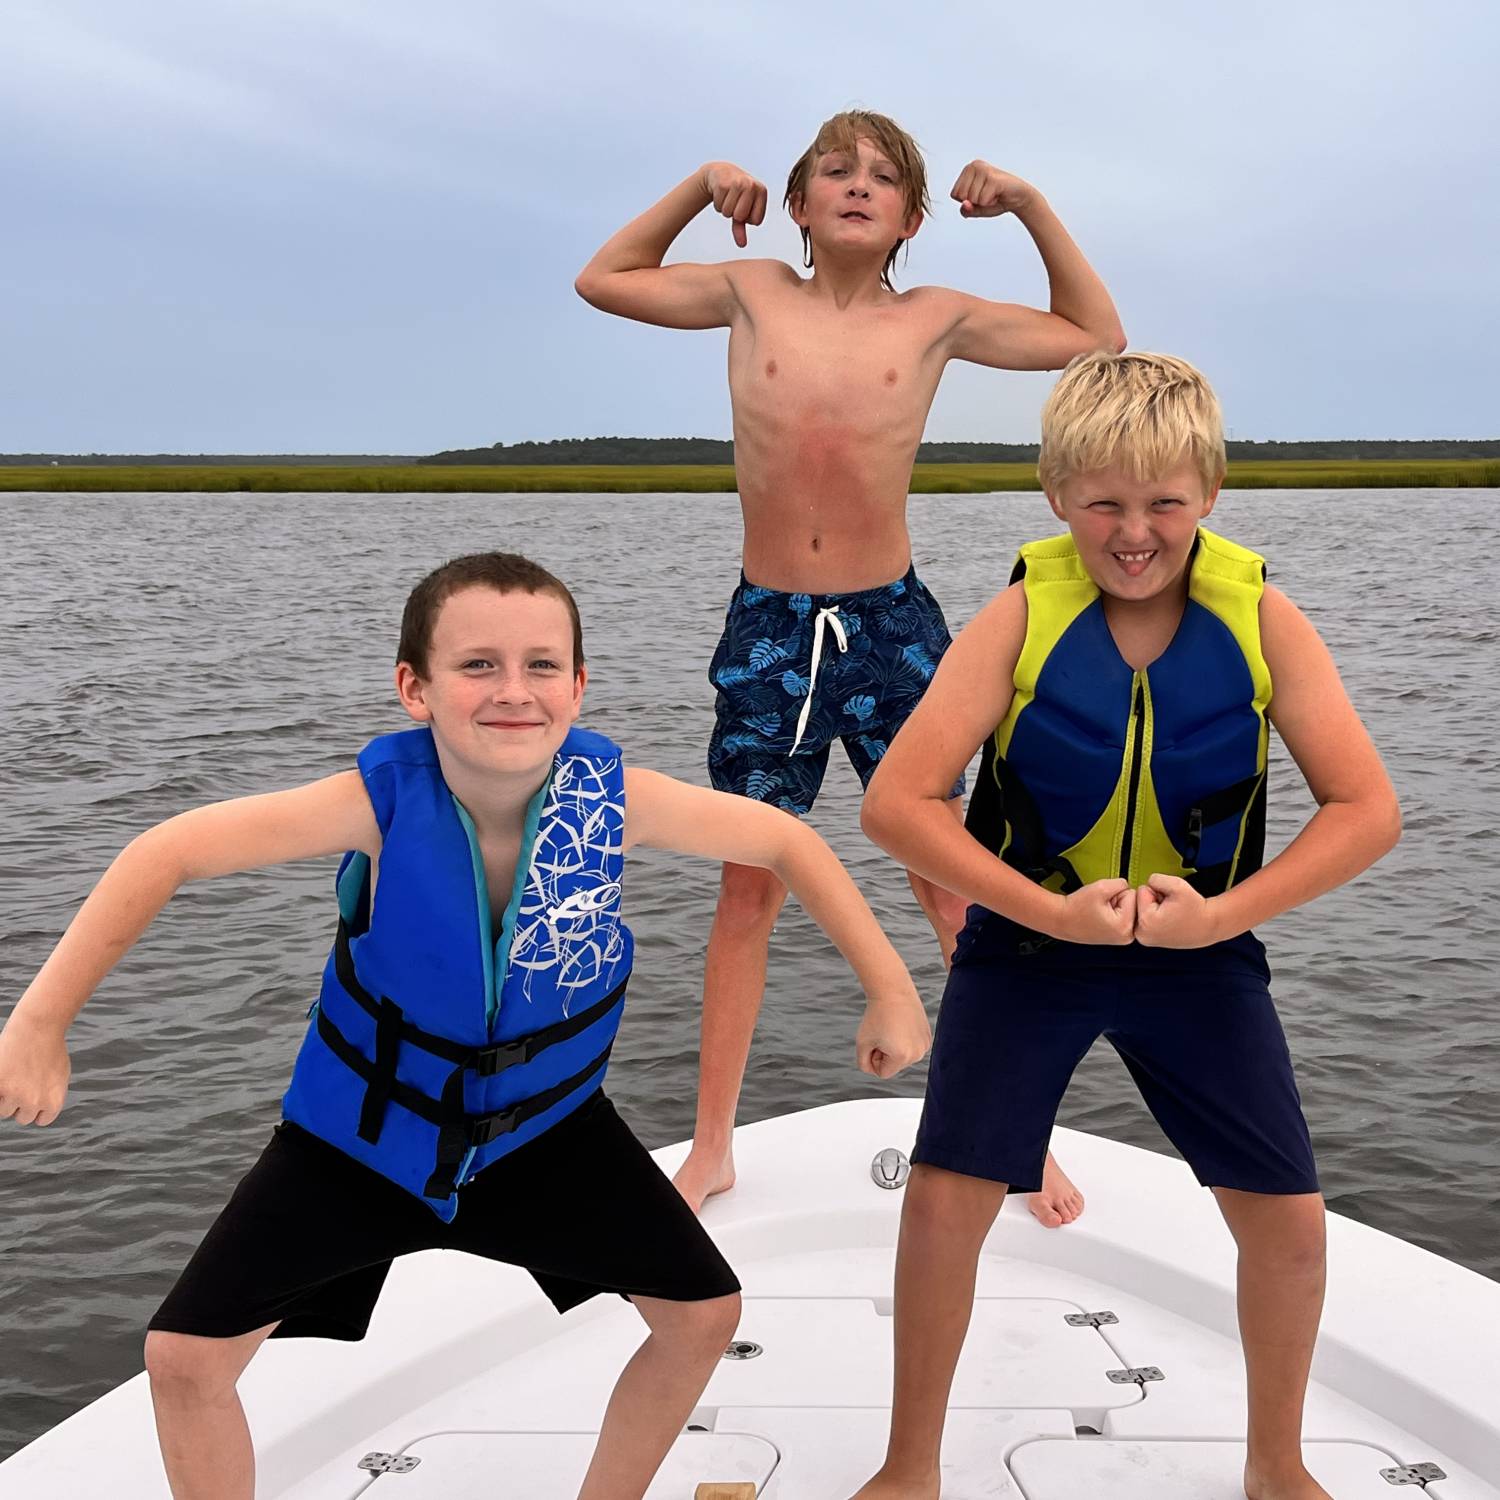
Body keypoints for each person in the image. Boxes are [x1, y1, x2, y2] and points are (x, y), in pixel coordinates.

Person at [0, 551, 933, 1500]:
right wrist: (39, 1023)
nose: (513, 691)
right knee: (183, 1360)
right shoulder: (374, 804)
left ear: (578, 687)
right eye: (477, 665)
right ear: (416, 688)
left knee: (702, 1313)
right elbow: (167, 852)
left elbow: (784, 838)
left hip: (545, 1132)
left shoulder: (620, 805)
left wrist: (889, 986)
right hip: (365, 1137)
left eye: (540, 666)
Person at [853, 351, 1403, 1500]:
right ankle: (910, 1466)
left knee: (1292, 1223)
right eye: (1104, 503)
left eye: (1163, 502)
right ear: (1057, 496)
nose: (1135, 531)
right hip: (1026, 947)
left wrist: (1224, 920)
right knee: (948, 1202)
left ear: (1209, 492)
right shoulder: (1018, 616)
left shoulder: (1262, 618)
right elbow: (897, 804)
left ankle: (1277, 1465)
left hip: (1201, 957)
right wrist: (1051, 909)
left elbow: (1368, 810)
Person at [575, 108, 1125, 1224]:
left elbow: (1095, 336)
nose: (858, 186)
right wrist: (696, 184)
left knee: (953, 874)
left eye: (883, 177)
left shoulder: (933, 318)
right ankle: (716, 1143)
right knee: (748, 883)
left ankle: (1016, 1137)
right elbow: (604, 278)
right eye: (836, 170)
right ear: (799, 201)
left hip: (893, 626)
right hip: (770, 626)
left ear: (913, 216)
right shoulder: (748, 292)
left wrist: (1026, 202)